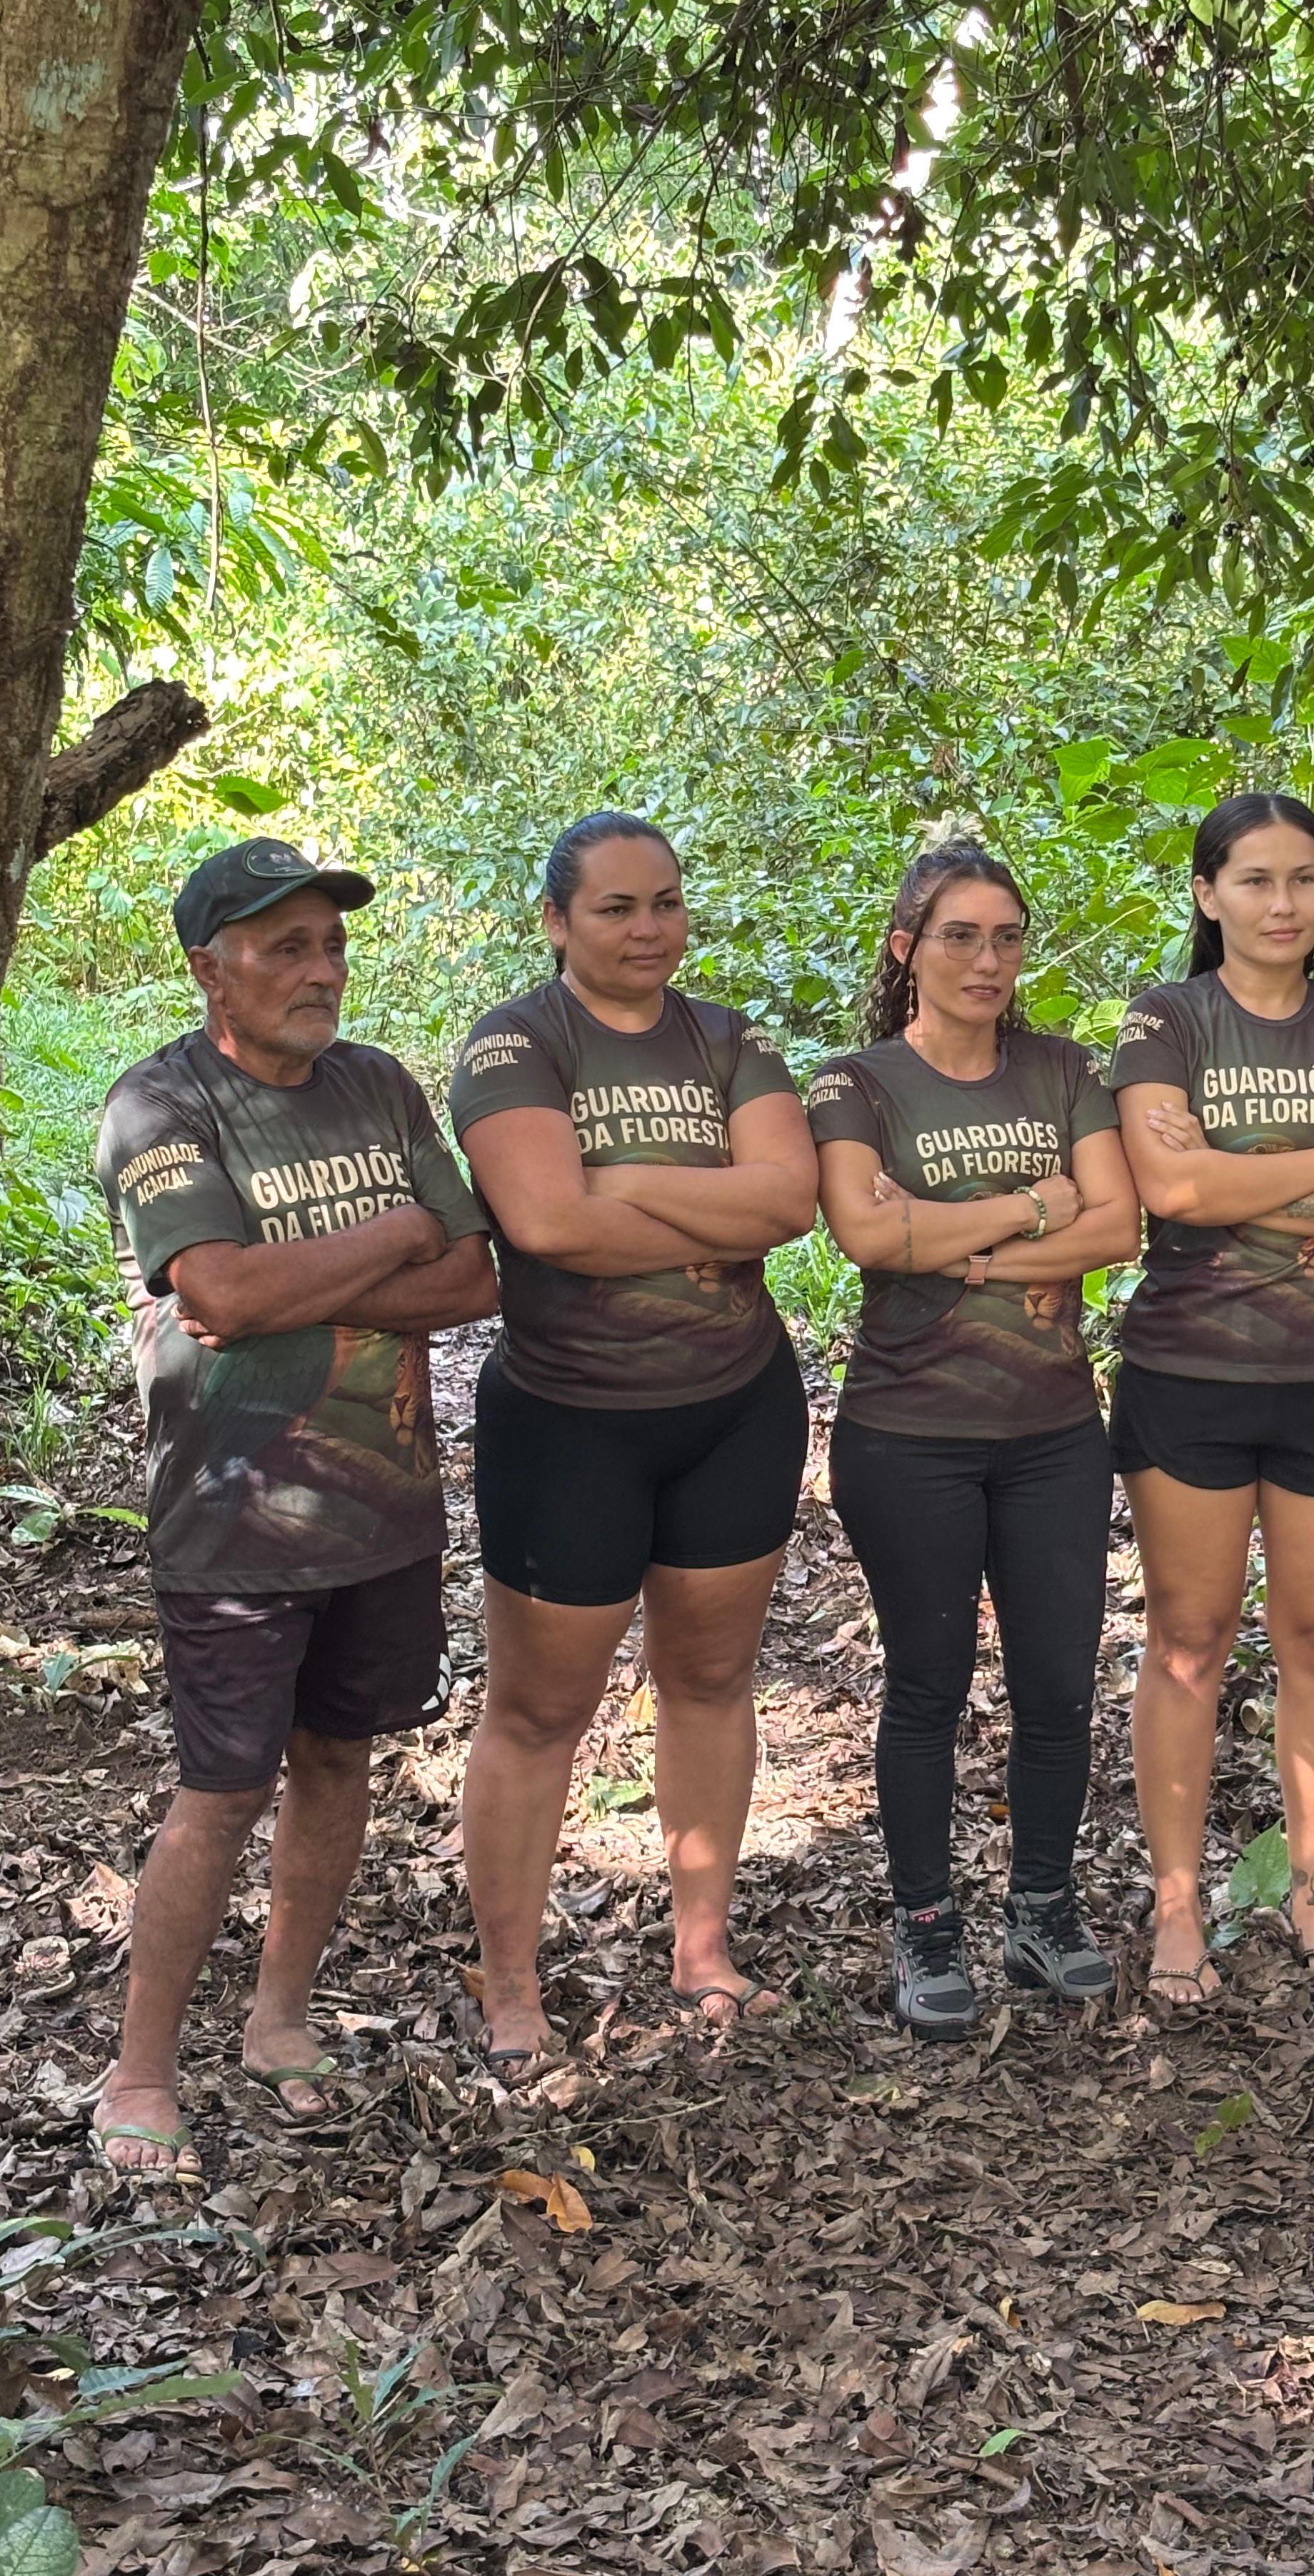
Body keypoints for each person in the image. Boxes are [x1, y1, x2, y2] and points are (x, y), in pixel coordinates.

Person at [91, 840, 497, 2176]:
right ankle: (141, 2073)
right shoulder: (160, 1106)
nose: (321, 971)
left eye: (330, 944)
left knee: (338, 1760)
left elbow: (476, 1277)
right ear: (211, 968)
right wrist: (388, 1241)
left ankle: (278, 2017)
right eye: (285, 949)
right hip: (232, 1521)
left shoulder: (377, 1085)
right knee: (220, 1791)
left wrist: (302, 1275)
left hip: (385, 1511)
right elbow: (221, 1295)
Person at [448, 815, 816, 2065]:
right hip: (569, 1425)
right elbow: (547, 1227)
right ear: (558, 922)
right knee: (540, 1708)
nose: (649, 929)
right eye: (616, 909)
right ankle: (511, 1984)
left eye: (666, 903)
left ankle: (703, 1950)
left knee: (710, 1682)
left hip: (735, 1407)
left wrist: (625, 1187)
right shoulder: (515, 1044)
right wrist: (709, 1213)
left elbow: (791, 1202)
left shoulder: (730, 1039)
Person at [808, 843, 1140, 2040]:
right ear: (908, 947)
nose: (988, 960)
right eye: (961, 936)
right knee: (927, 1685)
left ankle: (1042, 1907)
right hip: (909, 1433)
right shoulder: (856, 1084)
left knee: (1059, 1683)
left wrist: (959, 1239)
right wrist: (1034, 1204)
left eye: (1006, 937)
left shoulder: (1061, 1068)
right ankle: (926, 1921)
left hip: (1053, 1430)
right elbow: (864, 1237)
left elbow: (1121, 1225)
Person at [1109, 793, 1314, 2003]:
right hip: (1189, 1377)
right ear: (1208, 896)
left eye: (1303, 880)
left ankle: (1312, 1889)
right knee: (1188, 1643)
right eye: (1253, 880)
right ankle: (1181, 1901)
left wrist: (1232, 1176)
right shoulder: (1165, 1021)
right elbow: (1169, 1193)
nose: (1282, 904)